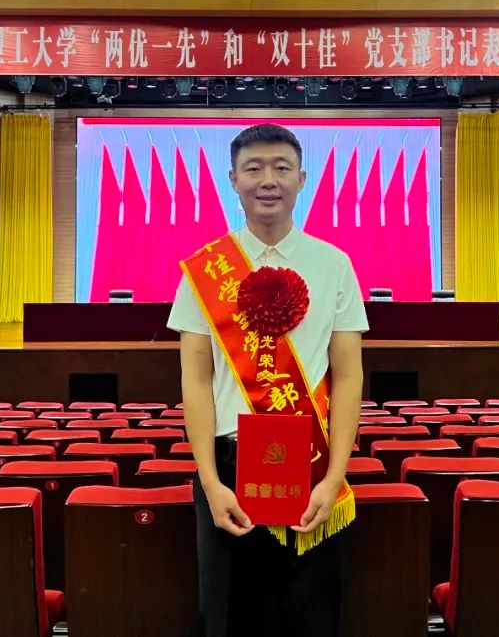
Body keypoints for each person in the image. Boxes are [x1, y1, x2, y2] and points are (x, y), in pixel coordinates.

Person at [167, 123, 368, 637]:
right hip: (229, 470)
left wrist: (334, 476)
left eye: (281, 167)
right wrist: (210, 482)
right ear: (233, 180)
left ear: (302, 178)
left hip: (314, 464)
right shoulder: (204, 271)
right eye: (253, 168)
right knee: (231, 617)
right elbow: (196, 380)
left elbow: (348, 376)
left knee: (311, 616)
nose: (268, 180)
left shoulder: (334, 265)